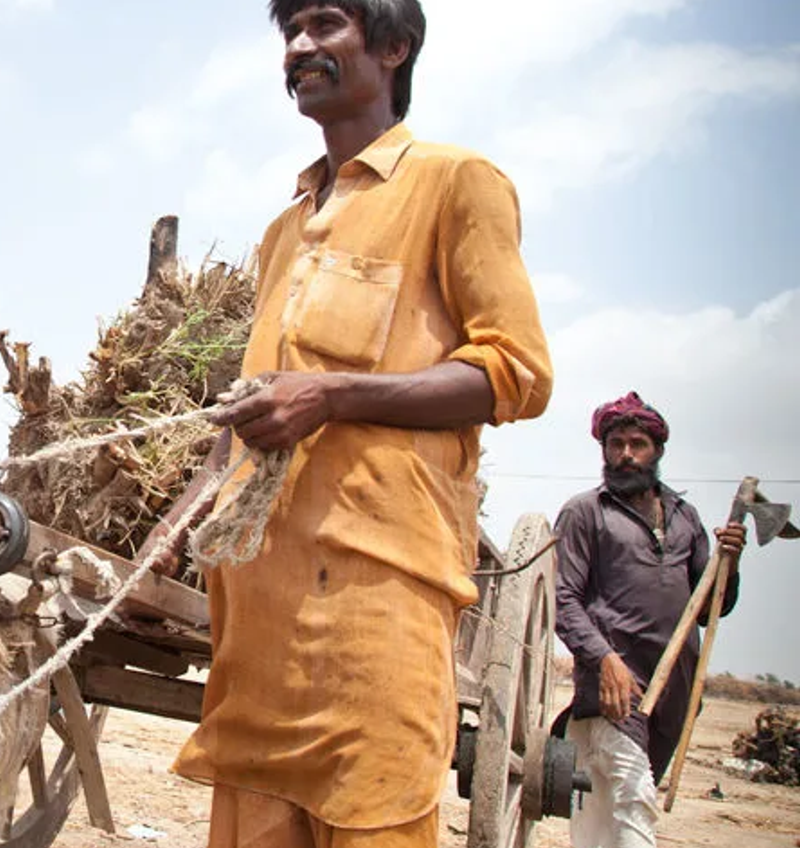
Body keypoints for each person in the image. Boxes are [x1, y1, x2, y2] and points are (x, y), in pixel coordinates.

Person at [136, 1, 553, 845]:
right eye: (289, 33)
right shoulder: (283, 230)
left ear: (395, 47)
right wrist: (183, 513)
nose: (299, 48)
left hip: (377, 604)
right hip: (256, 616)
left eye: (325, 25)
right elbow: (257, 401)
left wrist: (331, 398)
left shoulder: (455, 180)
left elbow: (518, 373)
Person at [553, 391, 747, 848]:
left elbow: (711, 608)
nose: (625, 455)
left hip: (674, 690)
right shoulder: (585, 512)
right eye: (615, 444)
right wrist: (603, 659)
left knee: (611, 815)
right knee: (635, 797)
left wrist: (730, 564)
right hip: (613, 688)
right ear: (603, 450)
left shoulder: (686, 518)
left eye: (636, 443)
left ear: (656, 450)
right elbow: (564, 599)